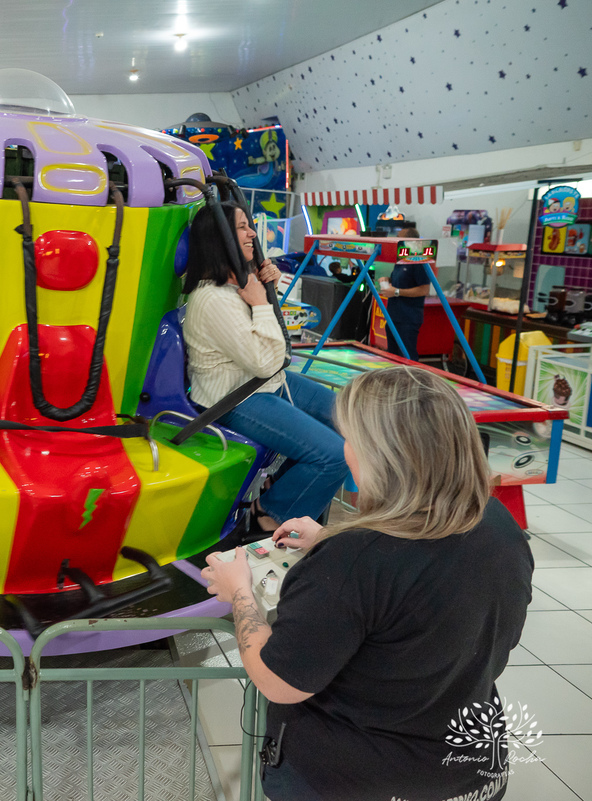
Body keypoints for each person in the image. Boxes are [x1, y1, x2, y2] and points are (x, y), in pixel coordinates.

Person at [201, 367, 532, 801]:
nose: (345, 449)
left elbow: (278, 680)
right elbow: (425, 584)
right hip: (473, 774)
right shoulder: (499, 524)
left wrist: (240, 591)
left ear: (383, 455)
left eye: (351, 438)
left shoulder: (351, 561)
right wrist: (332, 536)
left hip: (357, 779)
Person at [182, 201, 347, 532]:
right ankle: (269, 516)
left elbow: (272, 350)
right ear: (221, 238)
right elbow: (267, 361)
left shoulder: (237, 285)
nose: (252, 234)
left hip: (263, 382)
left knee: (348, 418)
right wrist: (261, 302)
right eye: (242, 227)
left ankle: (281, 489)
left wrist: (266, 291)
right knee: (335, 456)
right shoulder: (213, 299)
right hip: (234, 398)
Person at [381, 226, 430, 359]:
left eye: (399, 238)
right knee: (392, 356)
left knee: (407, 355)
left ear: (409, 240)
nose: (396, 241)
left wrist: (397, 292)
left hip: (408, 318)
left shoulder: (418, 261)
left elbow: (424, 289)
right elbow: (402, 280)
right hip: (393, 316)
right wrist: (388, 279)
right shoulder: (401, 260)